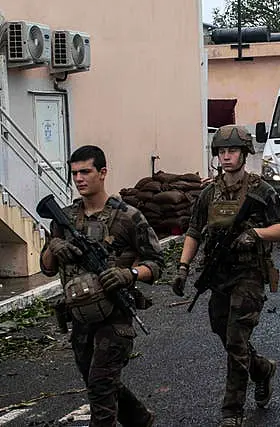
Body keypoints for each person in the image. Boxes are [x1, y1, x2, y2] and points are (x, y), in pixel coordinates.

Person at [171, 125, 280, 427]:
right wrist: (183, 267)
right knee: (223, 333)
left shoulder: (261, 190)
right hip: (218, 274)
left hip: (249, 274)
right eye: (222, 152)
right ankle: (262, 369)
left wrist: (254, 233)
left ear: (244, 153)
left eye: (232, 151)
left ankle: (232, 411)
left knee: (237, 340)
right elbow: (194, 231)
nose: (226, 156)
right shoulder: (209, 192)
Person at [40, 145, 163, 427]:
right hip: (81, 318)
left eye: (86, 171)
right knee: (97, 380)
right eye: (74, 173)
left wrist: (129, 274)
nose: (79, 178)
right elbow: (46, 269)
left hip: (115, 316)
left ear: (103, 173)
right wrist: (54, 246)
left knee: (100, 386)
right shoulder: (65, 218)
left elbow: (156, 263)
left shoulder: (128, 217)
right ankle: (140, 419)